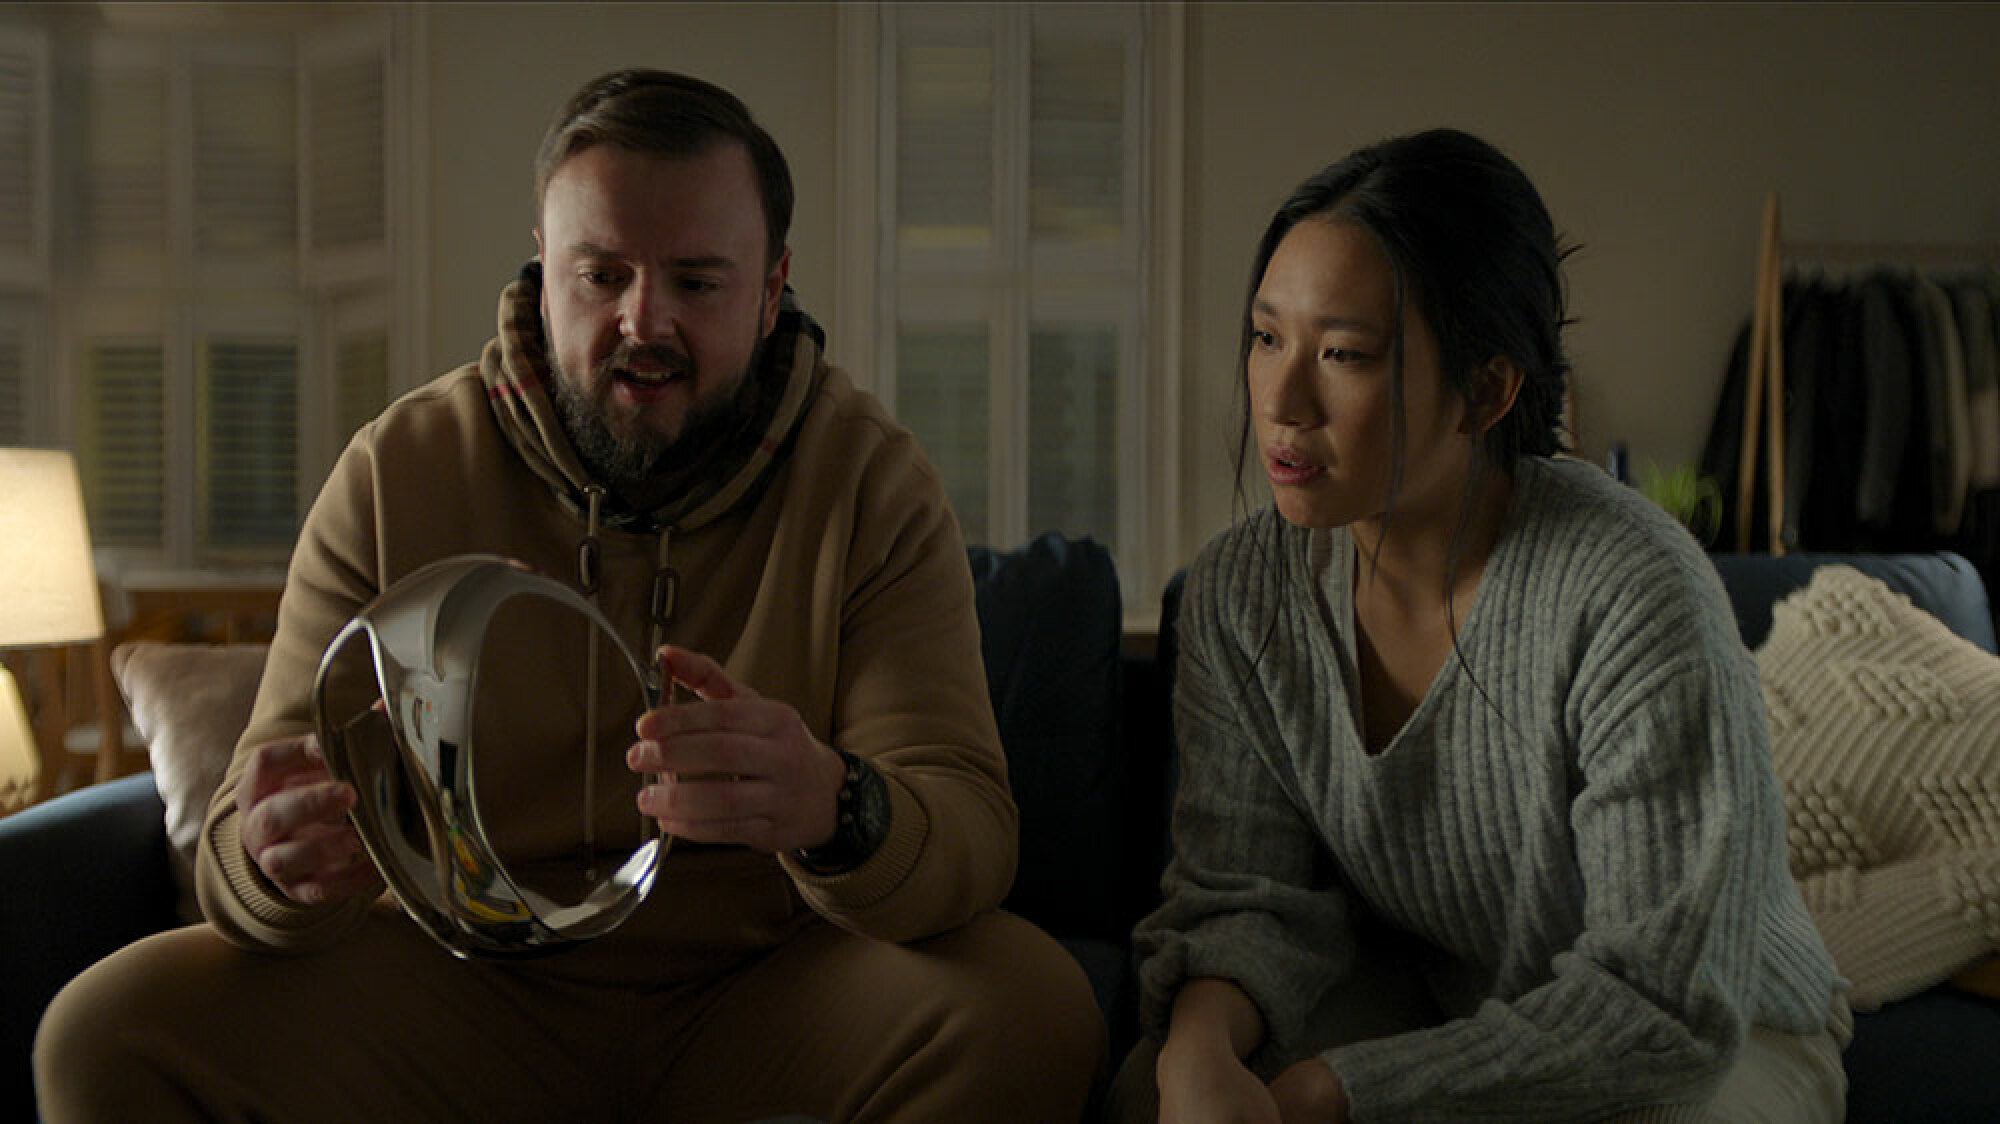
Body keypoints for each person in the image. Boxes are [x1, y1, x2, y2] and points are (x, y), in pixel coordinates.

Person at [35, 68, 1101, 1123]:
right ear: (543, 269)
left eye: (696, 281)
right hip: (453, 988)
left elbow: (968, 829)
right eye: (601, 275)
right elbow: (239, 838)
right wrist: (270, 860)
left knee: (1031, 1004)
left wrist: (835, 802)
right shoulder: (397, 468)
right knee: (102, 1029)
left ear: (773, 289)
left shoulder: (870, 480)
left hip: (768, 991)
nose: (643, 322)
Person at [1113, 129, 1848, 1123]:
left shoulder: (1628, 591)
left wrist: (1340, 1089)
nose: (1281, 400)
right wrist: (1193, 1053)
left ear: (1486, 390)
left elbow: (1663, 1002)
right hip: (1444, 993)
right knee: (1156, 1091)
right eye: (1263, 336)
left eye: (1341, 354)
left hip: (1709, 1035)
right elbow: (1245, 895)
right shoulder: (1241, 592)